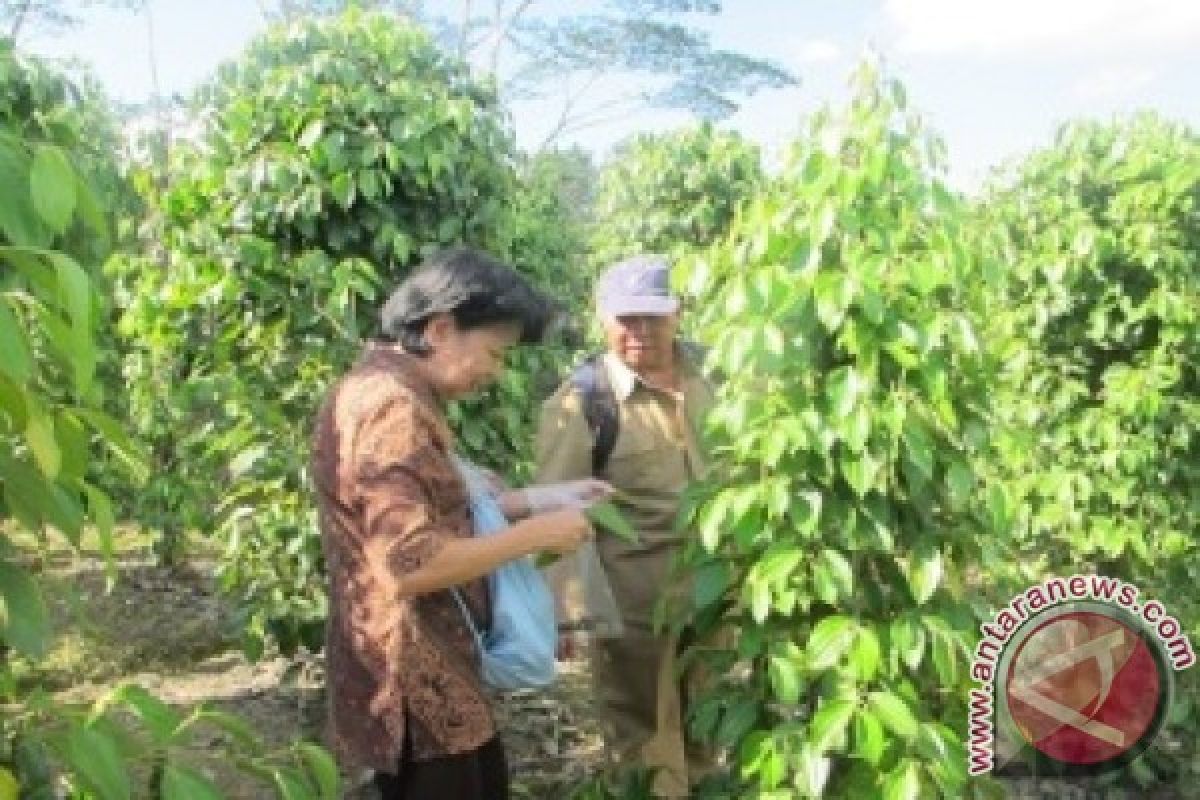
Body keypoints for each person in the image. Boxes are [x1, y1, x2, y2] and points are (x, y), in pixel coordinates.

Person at [311, 247, 609, 800]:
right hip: (419, 686)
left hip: (432, 672)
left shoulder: (378, 388)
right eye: (494, 354)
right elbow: (409, 561)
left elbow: (437, 509)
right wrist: (540, 534)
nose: (495, 373)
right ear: (442, 329)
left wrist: (540, 500)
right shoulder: (391, 409)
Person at [535, 254, 717, 798]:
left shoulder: (715, 374)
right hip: (633, 598)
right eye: (625, 318)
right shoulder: (584, 400)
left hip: (713, 588)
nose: (638, 331)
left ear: (677, 314)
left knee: (706, 713)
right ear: (601, 318)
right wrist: (566, 611)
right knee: (642, 730)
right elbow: (554, 505)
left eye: (652, 317)